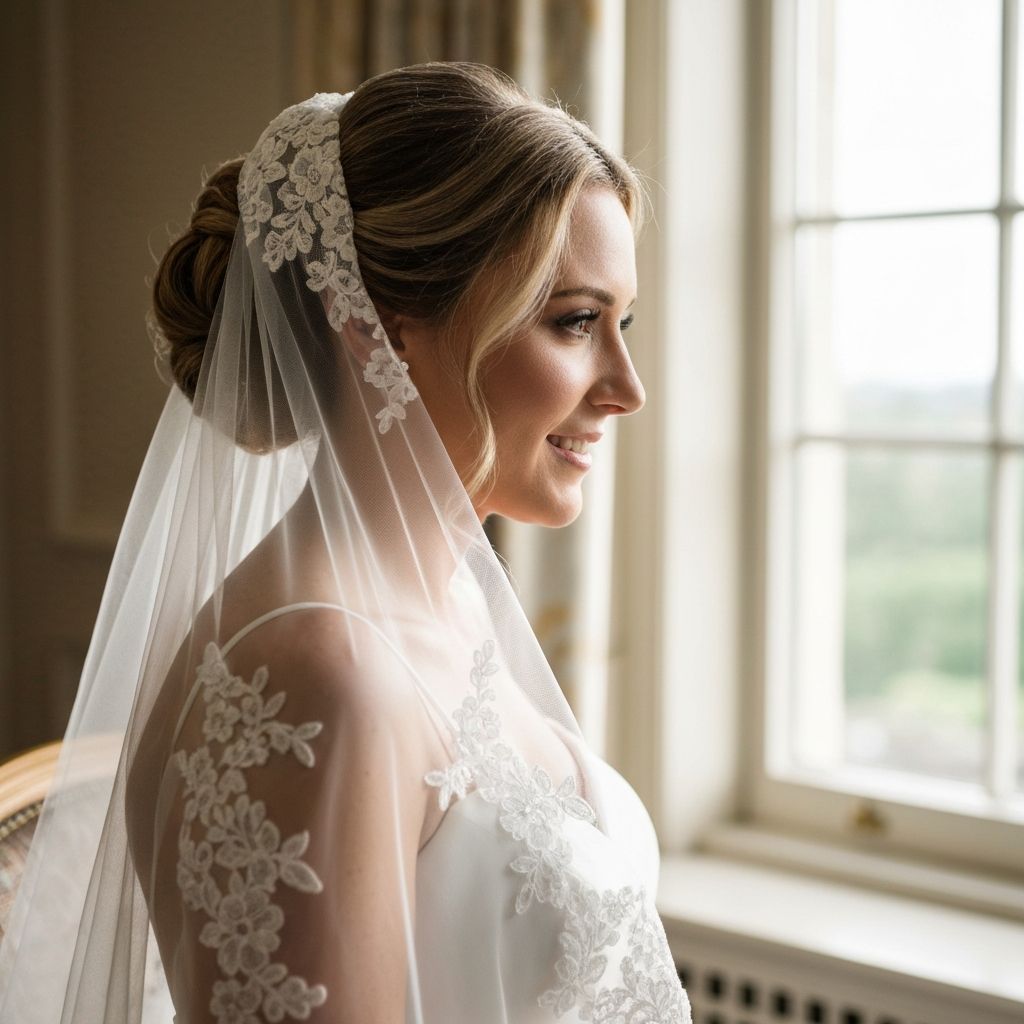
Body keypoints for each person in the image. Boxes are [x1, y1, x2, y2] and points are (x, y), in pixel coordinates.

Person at [0, 61, 692, 1024]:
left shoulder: (443, 607)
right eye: (575, 322)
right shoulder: (318, 670)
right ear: (382, 331)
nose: (626, 386)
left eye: (623, 323)